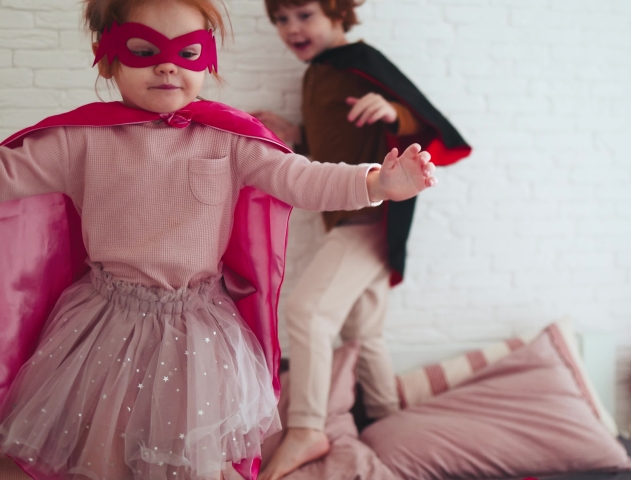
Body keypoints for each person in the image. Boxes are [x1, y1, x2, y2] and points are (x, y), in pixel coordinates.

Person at [0, 0, 437, 478]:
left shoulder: (230, 139)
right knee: (103, 456)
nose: (167, 65)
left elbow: (302, 180)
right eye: (144, 51)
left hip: (196, 334)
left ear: (207, 60)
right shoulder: (77, 140)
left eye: (187, 52)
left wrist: (376, 182)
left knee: (193, 457)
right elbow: (8, 174)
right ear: (105, 58)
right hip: (107, 328)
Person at [250, 1, 470, 478]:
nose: (292, 29)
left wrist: (394, 111)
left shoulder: (361, 61)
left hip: (369, 219)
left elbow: (426, 123)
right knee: (364, 332)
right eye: (281, 20)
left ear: (336, 11)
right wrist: (297, 136)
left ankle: (307, 427)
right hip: (350, 217)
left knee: (308, 312)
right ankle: (389, 417)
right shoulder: (317, 73)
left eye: (304, 15)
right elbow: (337, 148)